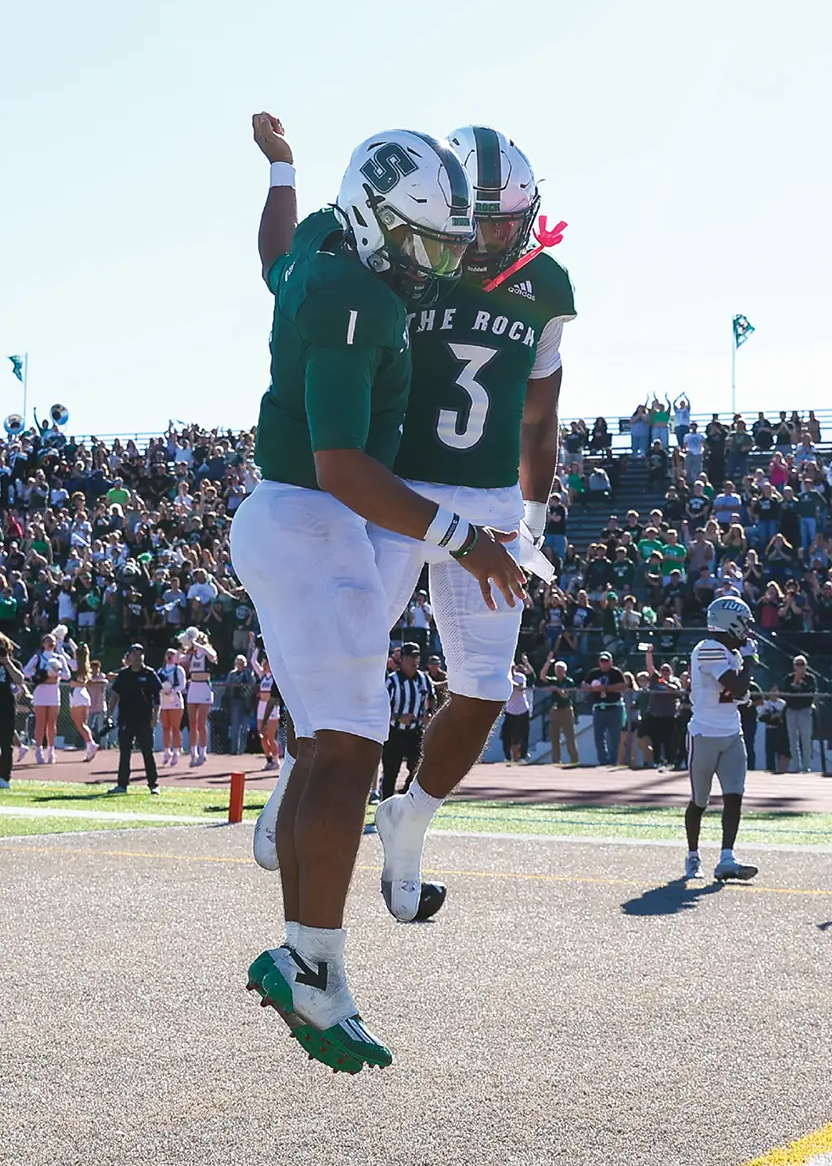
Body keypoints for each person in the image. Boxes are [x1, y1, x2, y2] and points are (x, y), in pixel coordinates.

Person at [236, 117, 522, 1074]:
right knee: (352, 750)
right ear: (374, 221)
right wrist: (463, 539)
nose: (432, 261)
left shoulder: (325, 242)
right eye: (419, 240)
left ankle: (309, 962)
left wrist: (282, 166)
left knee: (336, 743)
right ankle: (312, 963)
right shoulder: (360, 300)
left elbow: (275, 248)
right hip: (314, 518)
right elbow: (345, 466)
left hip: (292, 522)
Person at [363, 126, 572, 922]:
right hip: (398, 487)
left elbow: (539, 418)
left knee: (485, 688)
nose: (488, 240)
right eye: (476, 222)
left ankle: (410, 818)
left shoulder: (546, 283)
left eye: (502, 222)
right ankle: (296, 783)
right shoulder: (409, 263)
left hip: (487, 503)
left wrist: (534, 514)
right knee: (352, 648)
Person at [683, 596, 759, 882]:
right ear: (731, 622)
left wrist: (744, 696)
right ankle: (693, 856)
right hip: (704, 734)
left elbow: (732, 694)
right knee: (699, 801)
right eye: (745, 624)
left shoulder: (729, 652)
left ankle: (727, 858)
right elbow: (736, 686)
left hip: (731, 733)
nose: (749, 630)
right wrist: (749, 661)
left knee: (734, 798)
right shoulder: (708, 649)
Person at [106, 644, 162, 796]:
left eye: (141, 654)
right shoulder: (124, 675)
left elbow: (157, 698)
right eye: (135, 653)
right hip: (126, 719)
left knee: (147, 752)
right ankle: (122, 785)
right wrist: (109, 714)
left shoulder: (149, 674)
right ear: (128, 656)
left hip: (144, 719)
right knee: (125, 753)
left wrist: (155, 717)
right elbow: (115, 696)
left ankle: (153, 784)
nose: (138, 656)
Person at [381, 643, 435, 794]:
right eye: (411, 657)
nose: (414, 661)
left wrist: (429, 712)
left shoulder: (424, 679)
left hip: (415, 732)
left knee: (418, 769)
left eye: (417, 657)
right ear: (402, 659)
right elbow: (382, 708)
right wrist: (398, 717)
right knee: (391, 772)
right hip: (394, 733)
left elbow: (431, 697)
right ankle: (386, 805)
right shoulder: (392, 681)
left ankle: (406, 795)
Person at [23, 634, 71, 764]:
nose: (50, 643)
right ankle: (38, 750)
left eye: (53, 641)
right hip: (41, 692)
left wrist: (56, 674)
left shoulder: (59, 658)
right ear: (43, 643)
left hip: (54, 691)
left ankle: (51, 751)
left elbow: (68, 675)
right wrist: (39, 675)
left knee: (52, 723)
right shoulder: (38, 657)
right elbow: (25, 671)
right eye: (47, 640)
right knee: (40, 722)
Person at [177, 626, 217, 767]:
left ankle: (203, 752)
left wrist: (199, 645)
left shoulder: (207, 652)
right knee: (192, 723)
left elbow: (213, 656)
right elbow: (178, 659)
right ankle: (193, 752)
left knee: (201, 723)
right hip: (193, 687)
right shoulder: (191, 654)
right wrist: (183, 644)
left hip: (204, 687)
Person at [581, 651, 627, 767]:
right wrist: (592, 688)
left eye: (606, 661)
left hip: (614, 708)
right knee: (598, 737)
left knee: (614, 737)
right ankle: (603, 761)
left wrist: (605, 688)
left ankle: (612, 761)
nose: (604, 664)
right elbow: (584, 685)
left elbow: (623, 686)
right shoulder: (594, 673)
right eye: (602, 661)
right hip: (598, 708)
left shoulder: (616, 672)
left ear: (611, 662)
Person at [643, 648, 682, 768]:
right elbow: (650, 666)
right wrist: (648, 653)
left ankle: (670, 761)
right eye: (663, 670)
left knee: (669, 741)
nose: (664, 672)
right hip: (655, 715)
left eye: (667, 670)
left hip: (669, 716)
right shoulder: (655, 679)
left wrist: (665, 683)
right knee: (656, 740)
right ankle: (657, 761)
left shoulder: (675, 681)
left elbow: (675, 691)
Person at [539, 652, 578, 766]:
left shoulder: (569, 681)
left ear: (565, 671)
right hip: (555, 710)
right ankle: (556, 761)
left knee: (569, 737)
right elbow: (542, 676)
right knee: (554, 738)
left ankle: (574, 760)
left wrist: (557, 689)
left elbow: (566, 695)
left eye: (560, 669)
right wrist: (548, 662)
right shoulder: (553, 680)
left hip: (566, 710)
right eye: (556, 669)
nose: (558, 671)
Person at [0, 631, 24, 789]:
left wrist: (7, 662)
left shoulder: (14, 663)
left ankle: (4, 777)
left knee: (6, 742)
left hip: (6, 705)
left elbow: (20, 679)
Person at [784, 657, 817, 773]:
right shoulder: (788, 678)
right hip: (791, 710)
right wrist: (795, 682)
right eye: (797, 664)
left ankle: (806, 766)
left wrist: (801, 684)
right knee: (792, 739)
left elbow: (811, 693)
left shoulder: (810, 678)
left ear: (806, 665)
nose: (799, 667)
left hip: (805, 710)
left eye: (801, 664)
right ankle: (796, 766)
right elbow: (786, 694)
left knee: (806, 739)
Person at [251, 652, 283, 770]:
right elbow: (253, 661)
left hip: (272, 707)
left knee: (270, 736)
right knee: (262, 736)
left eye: (267, 663)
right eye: (264, 663)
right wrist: (256, 647)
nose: (265, 665)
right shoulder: (262, 676)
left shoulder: (275, 677)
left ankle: (276, 759)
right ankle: (269, 759)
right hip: (261, 707)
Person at [68, 643, 99, 762]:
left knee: (79, 724)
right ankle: (89, 747)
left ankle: (91, 744)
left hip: (77, 694)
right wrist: (71, 641)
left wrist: (61, 640)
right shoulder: (85, 665)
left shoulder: (74, 664)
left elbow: (62, 653)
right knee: (84, 724)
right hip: (85, 694)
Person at [157, 647, 187, 766]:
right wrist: (162, 691)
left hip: (175, 701)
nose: (169, 656)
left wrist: (172, 690)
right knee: (165, 728)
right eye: (167, 654)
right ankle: (166, 751)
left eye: (172, 654)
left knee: (175, 728)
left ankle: (176, 751)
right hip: (163, 701)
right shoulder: (161, 670)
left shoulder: (178, 670)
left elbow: (182, 685)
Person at [500, 664, 532, 764]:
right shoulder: (504, 678)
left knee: (524, 734)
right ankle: (507, 757)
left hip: (522, 709)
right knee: (506, 735)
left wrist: (510, 682)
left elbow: (520, 687)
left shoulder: (521, 677)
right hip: (510, 710)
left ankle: (523, 756)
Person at [222, 654, 253, 757]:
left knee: (245, 727)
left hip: (246, 703)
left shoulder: (248, 674)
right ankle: (234, 749)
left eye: (242, 663)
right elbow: (227, 687)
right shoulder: (232, 674)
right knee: (235, 727)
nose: (240, 665)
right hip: (235, 702)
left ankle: (242, 750)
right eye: (238, 663)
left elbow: (252, 685)